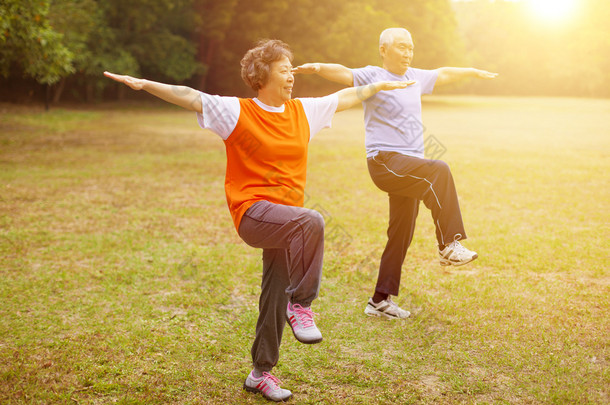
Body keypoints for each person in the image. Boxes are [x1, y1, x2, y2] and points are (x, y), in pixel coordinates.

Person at [105, 39, 412, 402]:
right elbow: (190, 96)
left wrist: (380, 84)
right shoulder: (235, 112)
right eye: (284, 70)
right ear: (263, 75)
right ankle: (301, 304)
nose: (291, 77)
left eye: (291, 70)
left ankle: (260, 373)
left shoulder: (303, 112)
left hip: (287, 222)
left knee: (272, 294)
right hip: (253, 213)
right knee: (311, 221)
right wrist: (143, 84)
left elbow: (348, 97)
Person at [293, 28, 498, 320]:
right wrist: (318, 68)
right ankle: (449, 244)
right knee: (438, 171)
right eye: (401, 47)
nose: (407, 53)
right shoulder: (372, 76)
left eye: (411, 48)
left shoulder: (415, 77)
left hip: (409, 167)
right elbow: (342, 72)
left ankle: (379, 300)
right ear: (383, 49)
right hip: (385, 161)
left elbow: (444, 73)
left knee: (401, 233)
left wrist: (472, 71)